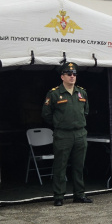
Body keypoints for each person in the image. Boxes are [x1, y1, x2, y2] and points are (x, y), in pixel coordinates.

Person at [41, 62, 91, 207]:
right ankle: (59, 196)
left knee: (79, 165)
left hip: (80, 133)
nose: (72, 76)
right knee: (60, 166)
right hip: (63, 134)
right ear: (62, 76)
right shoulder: (54, 93)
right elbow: (46, 114)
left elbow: (86, 111)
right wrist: (60, 123)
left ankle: (79, 195)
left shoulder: (82, 92)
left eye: (74, 74)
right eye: (69, 74)